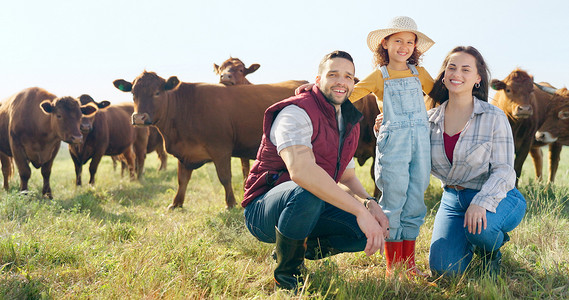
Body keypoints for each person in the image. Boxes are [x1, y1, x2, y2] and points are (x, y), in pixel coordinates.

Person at [242, 50, 389, 292]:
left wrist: (369, 203)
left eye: (348, 76)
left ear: (353, 83)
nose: (341, 81)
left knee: (362, 231)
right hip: (264, 209)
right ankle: (288, 278)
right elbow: (301, 172)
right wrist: (358, 211)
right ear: (318, 80)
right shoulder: (296, 112)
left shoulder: (348, 120)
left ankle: (288, 248)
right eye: (333, 74)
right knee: (307, 192)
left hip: (310, 204)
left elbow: (348, 176)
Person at [425, 46, 526, 276]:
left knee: (482, 231)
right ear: (443, 75)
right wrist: (383, 130)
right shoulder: (429, 121)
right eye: (451, 68)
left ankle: (490, 252)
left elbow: (504, 170)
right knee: (444, 271)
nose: (456, 74)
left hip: (497, 195)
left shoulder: (493, 117)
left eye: (465, 69)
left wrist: (480, 202)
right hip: (453, 199)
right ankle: (467, 241)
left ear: (477, 78)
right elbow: (408, 156)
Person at [352, 15, 435, 276]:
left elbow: (439, 97)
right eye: (398, 40)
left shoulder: (418, 73)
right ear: (385, 44)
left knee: (415, 200)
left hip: (420, 143)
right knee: (393, 199)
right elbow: (350, 95)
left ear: (415, 47)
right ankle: (393, 268)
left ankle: (409, 266)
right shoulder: (379, 76)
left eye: (410, 42)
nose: (404, 46)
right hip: (394, 143)